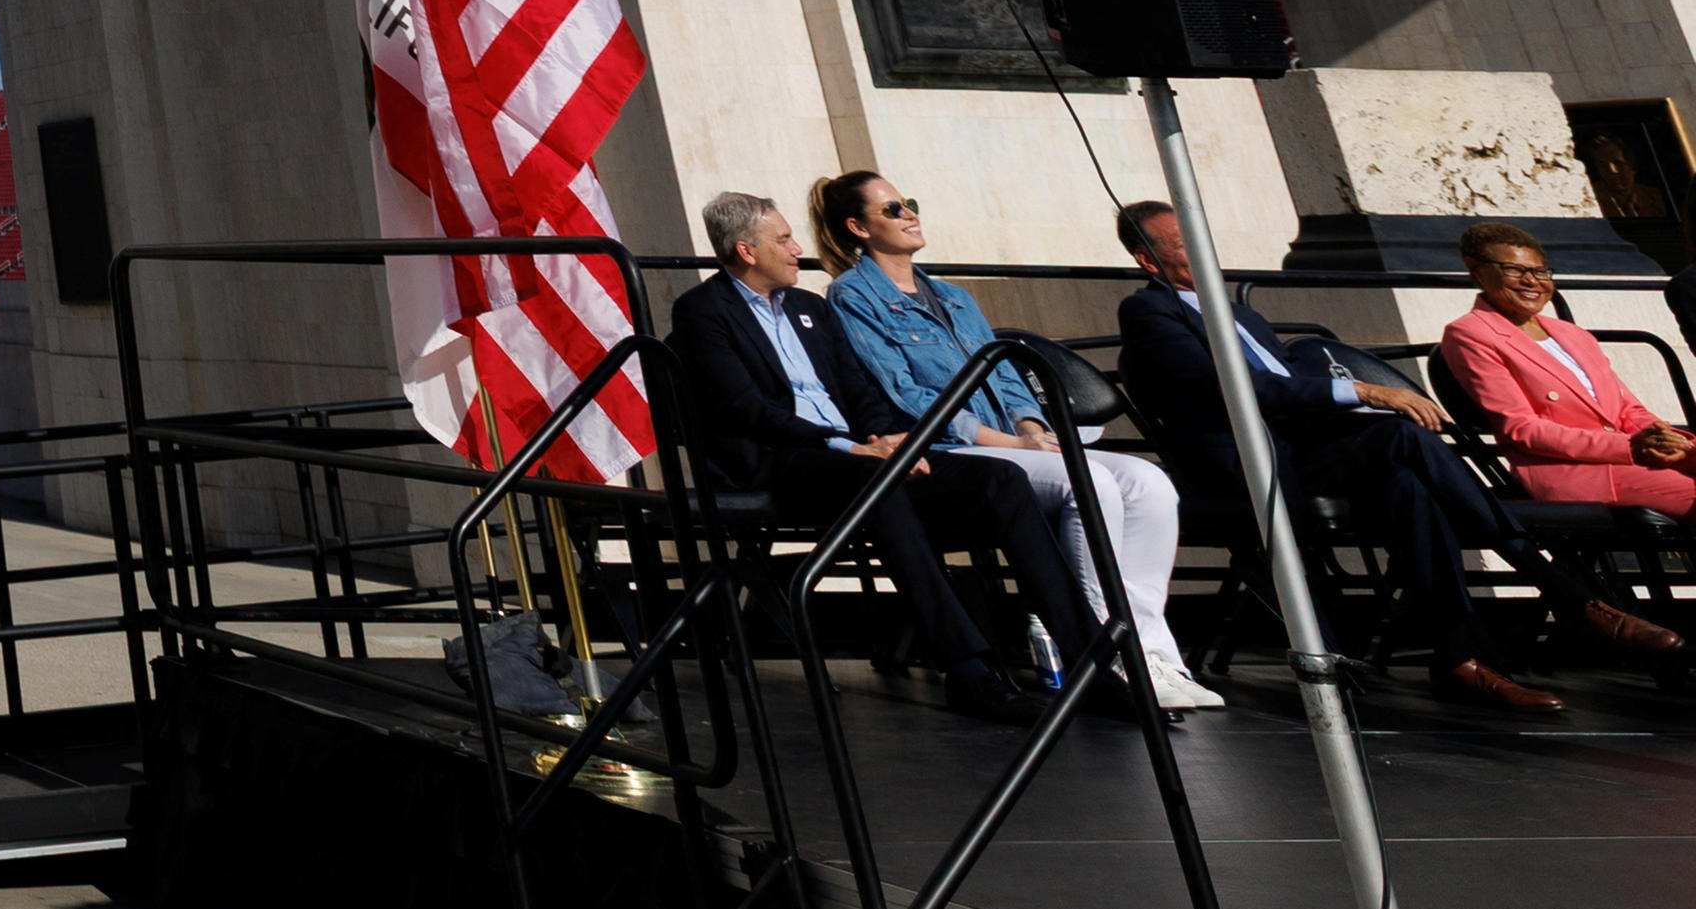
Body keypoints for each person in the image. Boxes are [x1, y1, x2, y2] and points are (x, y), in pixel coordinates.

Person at [1111, 199, 1660, 714]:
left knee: (1409, 483)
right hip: (1250, 460)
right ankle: (1560, 591)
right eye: (1184, 243)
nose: (1202, 248)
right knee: (1403, 437)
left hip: (1306, 444)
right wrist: (1367, 393)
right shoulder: (1149, 313)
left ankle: (1460, 660)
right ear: (1148, 259)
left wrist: (1354, 407)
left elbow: (1291, 381)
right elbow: (1236, 388)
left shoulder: (1241, 315)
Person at [665, 192, 1104, 724]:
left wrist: (893, 436)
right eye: (783, 240)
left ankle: (1092, 663)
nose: (797, 248)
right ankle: (969, 670)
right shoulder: (703, 311)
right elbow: (746, 409)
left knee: (1001, 479)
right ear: (747, 251)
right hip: (782, 458)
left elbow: (859, 386)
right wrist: (850, 444)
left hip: (861, 452)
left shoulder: (810, 308)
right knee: (879, 482)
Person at [810, 171, 1222, 710]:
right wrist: (1008, 444)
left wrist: (1031, 428)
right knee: (1090, 484)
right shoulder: (852, 296)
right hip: (956, 449)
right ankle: (1106, 652)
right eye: (892, 210)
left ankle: (1151, 648)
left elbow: (1004, 376)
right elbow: (904, 393)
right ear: (856, 227)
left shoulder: (953, 296)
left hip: (1012, 440)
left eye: (909, 203)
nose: (909, 214)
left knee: (1149, 484)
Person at [1441, 224, 1696, 519]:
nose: (1531, 281)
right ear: (1477, 271)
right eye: (1513, 270)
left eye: (1540, 272)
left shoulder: (1572, 334)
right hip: (1573, 472)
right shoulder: (1471, 333)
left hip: (1633, 457)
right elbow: (1521, 429)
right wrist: (1628, 447)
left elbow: (1628, 409)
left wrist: (1669, 441)